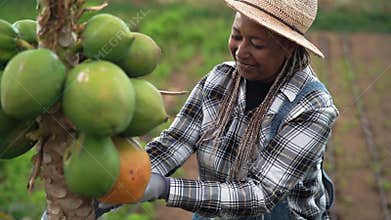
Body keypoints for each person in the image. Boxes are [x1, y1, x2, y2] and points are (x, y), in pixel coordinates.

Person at [44, 0, 339, 219]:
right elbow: (175, 144)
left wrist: (164, 188)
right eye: (237, 36)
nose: (240, 51)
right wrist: (112, 188)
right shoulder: (220, 79)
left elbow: (259, 195)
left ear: (288, 47)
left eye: (257, 44)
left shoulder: (312, 107)